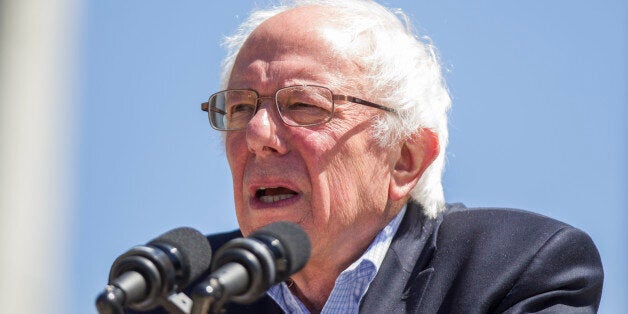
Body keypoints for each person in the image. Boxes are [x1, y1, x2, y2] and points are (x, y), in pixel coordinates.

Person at [138, 0, 604, 313]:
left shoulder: (518, 268)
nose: (259, 134)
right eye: (240, 108)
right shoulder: (180, 287)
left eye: (303, 105)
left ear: (405, 158)